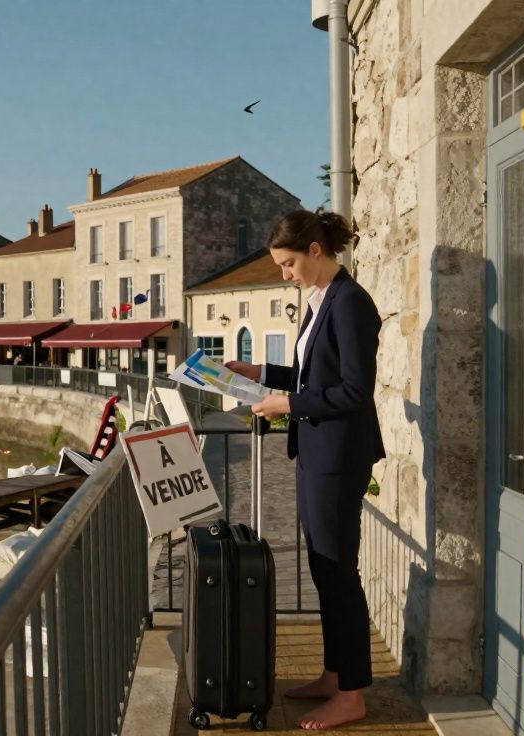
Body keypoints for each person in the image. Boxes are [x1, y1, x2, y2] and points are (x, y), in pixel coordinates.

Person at [225, 209, 384, 731]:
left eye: (288, 263)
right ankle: (336, 674)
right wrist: (260, 373)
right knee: (323, 570)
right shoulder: (322, 301)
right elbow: (312, 372)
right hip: (319, 455)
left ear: (316, 250)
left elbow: (355, 391)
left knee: (339, 575)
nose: (284, 274)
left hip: (338, 458)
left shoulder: (350, 304)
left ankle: (352, 694)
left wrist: (287, 405)